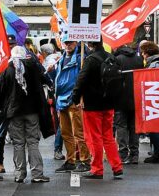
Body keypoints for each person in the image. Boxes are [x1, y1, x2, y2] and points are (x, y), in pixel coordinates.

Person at [72, 41, 123, 180]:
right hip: (109, 103)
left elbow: (81, 80)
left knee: (94, 137)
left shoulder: (90, 60)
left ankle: (97, 169)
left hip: (92, 103)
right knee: (108, 137)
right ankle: (117, 167)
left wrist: (75, 98)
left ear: (89, 44)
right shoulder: (112, 58)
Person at [0, 46, 50, 183]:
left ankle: (19, 174)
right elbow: (45, 79)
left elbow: (0, 91)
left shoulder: (7, 69)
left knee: (18, 144)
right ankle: (37, 173)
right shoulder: (32, 67)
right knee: (33, 142)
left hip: (14, 112)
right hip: (32, 111)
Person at [50, 40, 91, 173]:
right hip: (61, 99)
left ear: (76, 43)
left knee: (78, 132)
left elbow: (84, 78)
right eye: (65, 43)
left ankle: (85, 160)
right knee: (66, 133)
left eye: (70, 43)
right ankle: (71, 160)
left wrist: (81, 96)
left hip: (74, 100)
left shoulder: (80, 59)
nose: (68, 45)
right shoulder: (61, 59)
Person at [140, 41, 159, 164]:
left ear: (147, 53)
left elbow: (153, 82)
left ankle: (157, 153)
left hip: (155, 97)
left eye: (143, 53)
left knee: (153, 126)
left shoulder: (154, 65)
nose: (142, 55)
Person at [113, 43, 144, 164]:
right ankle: (135, 154)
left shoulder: (118, 59)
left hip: (121, 98)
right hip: (136, 97)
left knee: (121, 127)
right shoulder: (138, 59)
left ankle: (123, 154)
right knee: (134, 127)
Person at [0, 35, 19, 174]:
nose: (10, 47)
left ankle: (19, 166)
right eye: (8, 45)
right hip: (4, 106)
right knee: (1, 134)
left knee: (19, 138)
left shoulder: (21, 62)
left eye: (12, 44)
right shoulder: (0, 62)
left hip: (16, 106)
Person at [40, 43, 64, 161]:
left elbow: (46, 80)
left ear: (44, 53)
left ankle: (57, 149)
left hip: (54, 95)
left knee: (59, 124)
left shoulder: (48, 62)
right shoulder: (60, 57)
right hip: (64, 93)